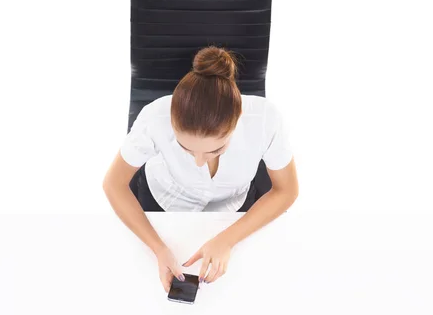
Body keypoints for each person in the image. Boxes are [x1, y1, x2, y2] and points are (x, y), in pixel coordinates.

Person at [103, 46, 299, 292]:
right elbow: (113, 184)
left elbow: (287, 189)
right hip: (165, 200)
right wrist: (159, 249)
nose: (198, 162)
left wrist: (227, 240)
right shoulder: (155, 117)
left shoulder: (265, 120)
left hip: (233, 208)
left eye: (215, 150)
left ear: (237, 119)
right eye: (186, 149)